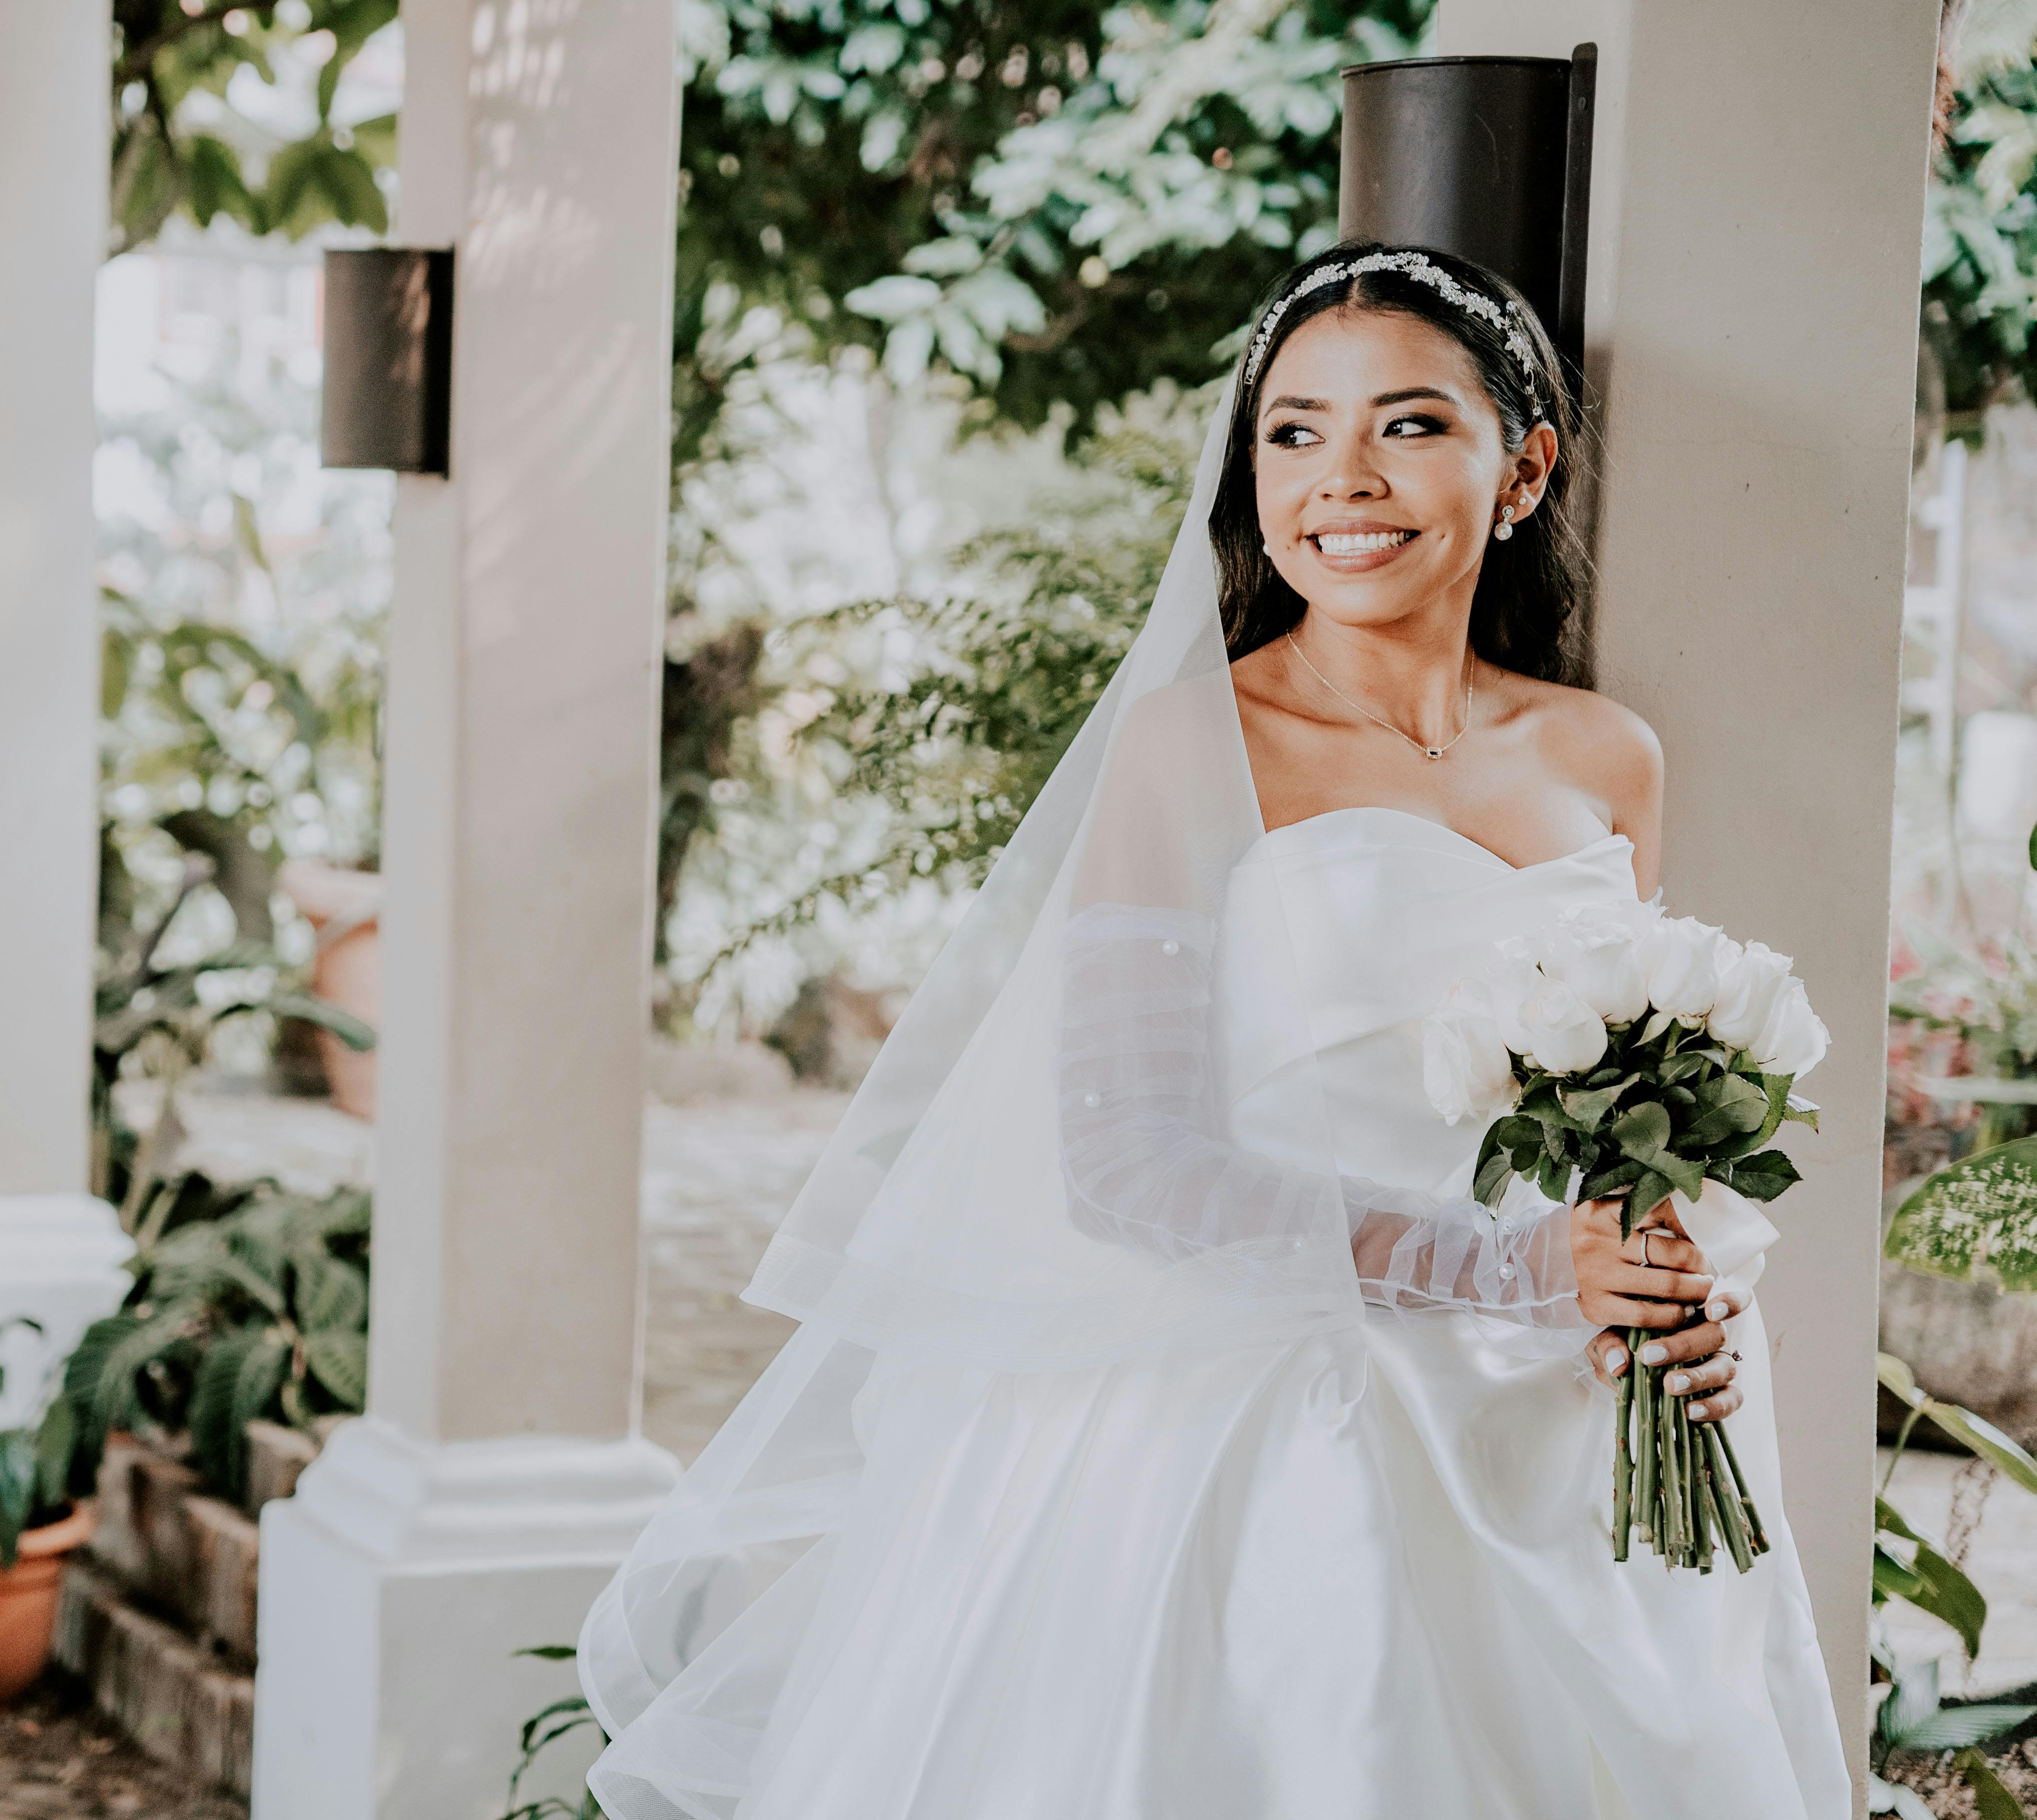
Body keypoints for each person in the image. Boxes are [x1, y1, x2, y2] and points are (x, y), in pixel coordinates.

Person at [577, 244, 1846, 1819]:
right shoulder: (1193, 750)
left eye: (1409, 426)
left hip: (1569, 1416)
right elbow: (1127, 1167)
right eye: (1294, 433)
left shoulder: (1607, 753)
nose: (1344, 479)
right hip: (1277, 1421)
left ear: (1523, 466)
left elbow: (1624, 1116)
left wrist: (1669, 1288)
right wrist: (1507, 1269)